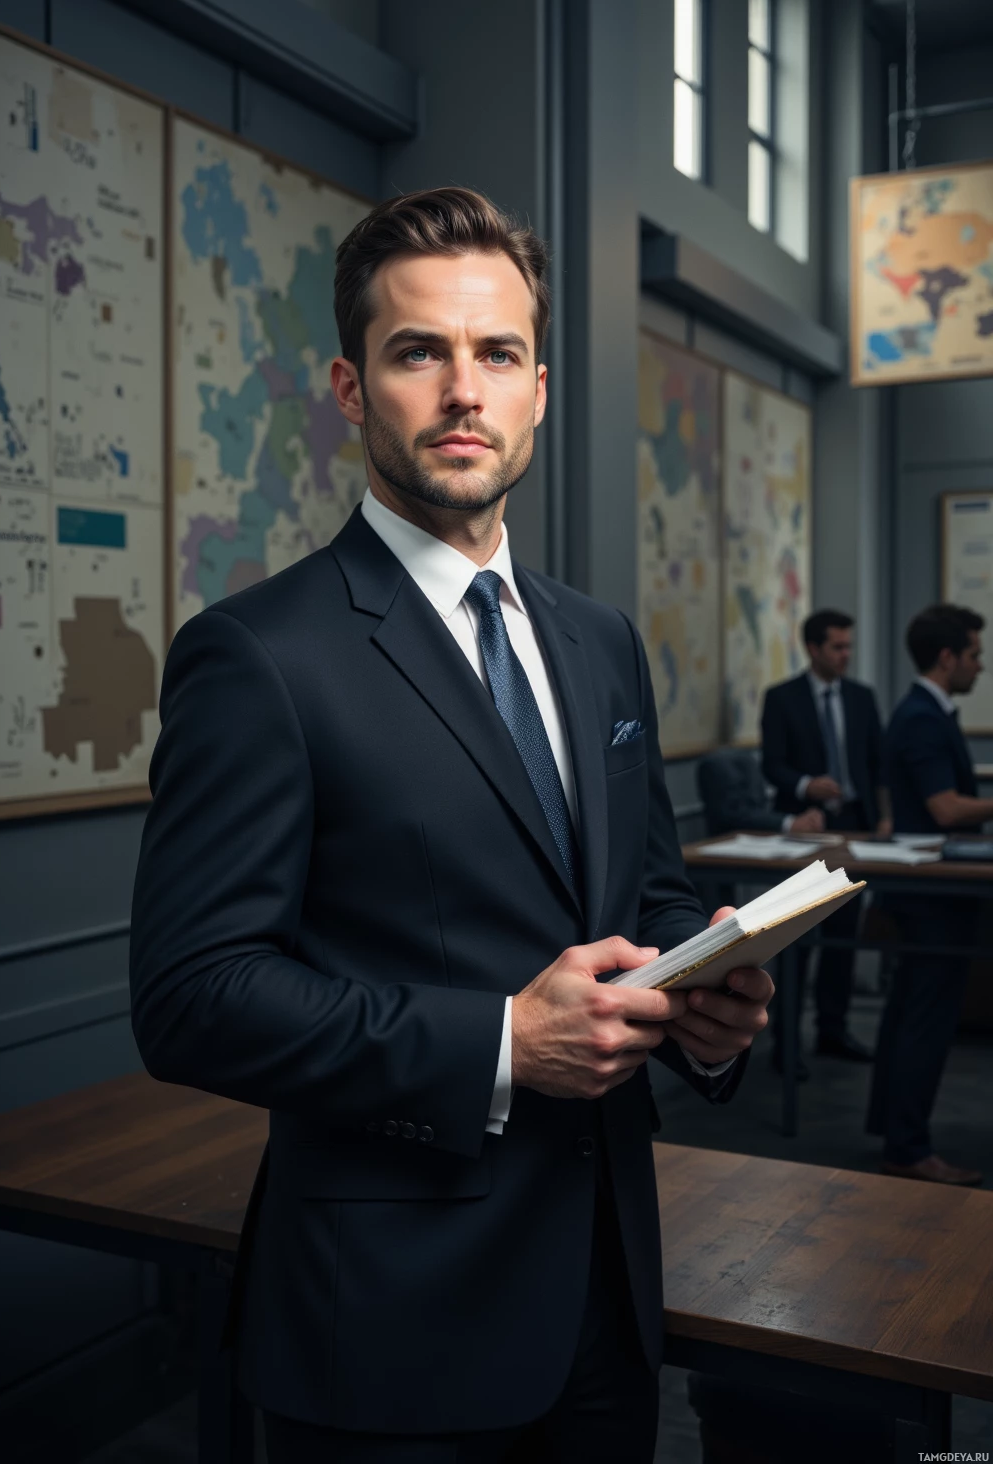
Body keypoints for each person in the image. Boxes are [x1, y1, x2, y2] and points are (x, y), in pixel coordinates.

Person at [129, 187, 773, 1463]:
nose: (462, 391)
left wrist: (701, 996)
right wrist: (498, 1041)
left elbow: (638, 900)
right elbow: (192, 995)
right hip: (387, 1324)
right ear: (352, 388)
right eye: (419, 352)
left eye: (496, 355)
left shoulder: (598, 643)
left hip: (604, 1290)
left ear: (539, 386)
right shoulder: (258, 656)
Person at [867, 603, 990, 1186]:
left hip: (926, 894)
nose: (980, 665)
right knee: (925, 1019)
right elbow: (945, 809)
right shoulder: (921, 715)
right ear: (947, 658)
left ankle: (894, 1133)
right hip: (932, 898)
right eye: (974, 653)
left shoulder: (924, 711)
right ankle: (908, 1147)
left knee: (909, 1014)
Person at [761, 610, 890, 1068]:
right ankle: (787, 1043)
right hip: (806, 831)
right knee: (797, 939)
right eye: (837, 647)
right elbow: (772, 764)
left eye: (849, 646)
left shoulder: (861, 697)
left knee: (843, 936)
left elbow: (878, 763)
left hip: (855, 827)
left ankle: (832, 1031)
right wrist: (804, 786)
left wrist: (884, 819)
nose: (846, 655)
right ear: (813, 649)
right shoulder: (782, 698)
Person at [697, 748, 825, 838]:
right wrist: (790, 823)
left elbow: (756, 813)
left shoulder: (748, 761)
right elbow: (735, 818)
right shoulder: (715, 771)